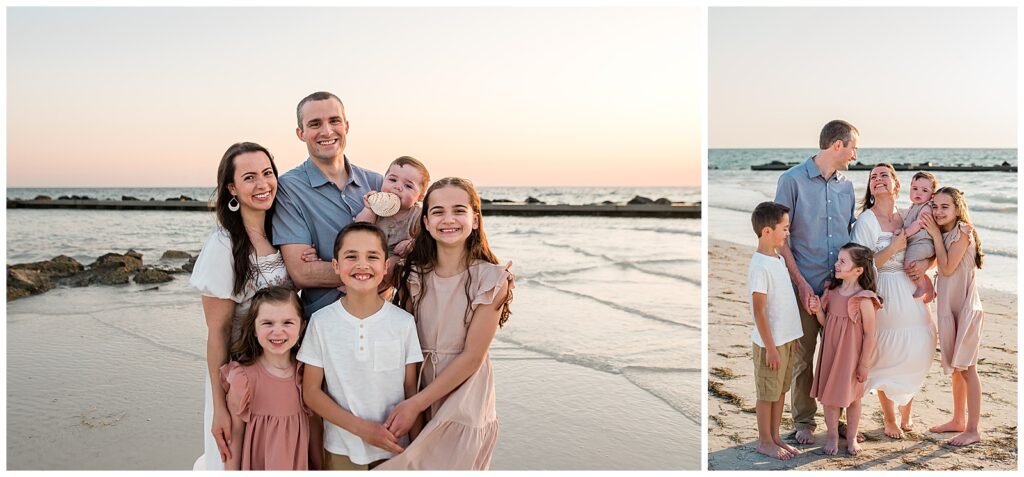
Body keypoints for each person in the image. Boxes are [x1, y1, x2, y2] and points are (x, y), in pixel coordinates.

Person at [376, 177, 514, 470]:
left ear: (475, 220)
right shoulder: (413, 275)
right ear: (425, 222)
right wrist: (412, 400)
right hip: (417, 385)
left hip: (464, 394)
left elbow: (473, 357)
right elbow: (407, 341)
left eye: (458, 211)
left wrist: (417, 404)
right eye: (438, 211)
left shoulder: (491, 279)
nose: (448, 219)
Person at [190, 142, 297, 470]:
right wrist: (220, 406)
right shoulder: (223, 245)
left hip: (280, 376)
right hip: (239, 382)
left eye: (267, 173)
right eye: (250, 177)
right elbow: (218, 333)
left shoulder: (281, 235)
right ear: (232, 188)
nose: (263, 184)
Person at [298, 223, 423, 470]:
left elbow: (411, 391)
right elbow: (311, 392)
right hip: (341, 449)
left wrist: (418, 451)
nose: (362, 265)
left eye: (372, 256)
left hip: (395, 449)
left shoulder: (404, 323)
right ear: (336, 265)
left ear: (385, 266)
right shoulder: (321, 322)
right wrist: (363, 429)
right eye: (351, 256)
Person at [774, 120, 858, 445]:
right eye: (853, 148)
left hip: (840, 290)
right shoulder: (791, 180)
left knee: (840, 357)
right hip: (803, 285)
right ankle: (804, 421)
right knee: (804, 356)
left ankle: (837, 422)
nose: (854, 155)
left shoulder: (847, 186)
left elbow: (852, 235)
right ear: (837, 145)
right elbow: (782, 238)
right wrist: (802, 284)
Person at [273, 91, 383, 317]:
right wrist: (376, 271)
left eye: (334, 121)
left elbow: (401, 251)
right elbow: (302, 273)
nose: (326, 131)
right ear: (300, 133)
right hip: (322, 325)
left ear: (347, 126)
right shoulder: (288, 188)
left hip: (380, 319)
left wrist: (329, 266)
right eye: (315, 124)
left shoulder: (377, 182)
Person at [851, 163, 936, 439]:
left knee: (917, 349)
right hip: (883, 290)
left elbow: (928, 245)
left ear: (897, 185)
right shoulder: (866, 220)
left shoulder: (907, 216)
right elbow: (861, 265)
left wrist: (925, 265)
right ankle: (889, 418)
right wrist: (894, 248)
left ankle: (906, 411)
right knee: (885, 355)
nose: (878, 179)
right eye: (873, 176)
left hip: (910, 289)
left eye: (884, 175)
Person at [221, 286, 312, 470]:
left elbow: (315, 431)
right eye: (268, 323)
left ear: (301, 326)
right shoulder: (243, 379)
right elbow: (235, 437)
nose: (277, 332)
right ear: (254, 328)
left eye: (287, 322)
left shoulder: (307, 373)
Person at [921, 187, 985, 446]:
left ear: (958, 209)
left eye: (944, 207)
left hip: (966, 309)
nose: (938, 211)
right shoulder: (946, 234)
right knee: (958, 369)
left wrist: (934, 233)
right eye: (934, 206)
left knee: (968, 369)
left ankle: (973, 429)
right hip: (950, 308)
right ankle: (958, 420)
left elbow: (947, 268)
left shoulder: (963, 232)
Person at [808, 243, 881, 456]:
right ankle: (831, 437)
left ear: (858, 270)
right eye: (837, 260)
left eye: (842, 261)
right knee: (829, 398)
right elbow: (826, 323)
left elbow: (870, 334)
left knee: (853, 398)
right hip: (831, 353)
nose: (836, 264)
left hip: (851, 357)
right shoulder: (832, 292)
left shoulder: (864, 298)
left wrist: (863, 364)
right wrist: (817, 310)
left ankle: (851, 438)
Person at [746, 202, 803, 460]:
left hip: (786, 340)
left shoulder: (778, 258)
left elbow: (785, 302)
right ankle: (765, 440)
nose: (788, 233)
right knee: (767, 393)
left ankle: (776, 435)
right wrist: (770, 347)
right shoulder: (760, 265)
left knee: (780, 391)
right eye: (785, 228)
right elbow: (759, 311)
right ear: (767, 231)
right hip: (770, 343)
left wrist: (793, 336)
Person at [900, 171, 939, 301]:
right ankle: (929, 288)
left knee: (908, 265)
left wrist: (904, 234)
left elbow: (918, 223)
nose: (918, 193)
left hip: (923, 244)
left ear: (932, 195)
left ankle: (922, 286)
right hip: (917, 243)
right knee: (913, 267)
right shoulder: (913, 206)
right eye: (915, 188)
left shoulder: (926, 207)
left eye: (924, 190)